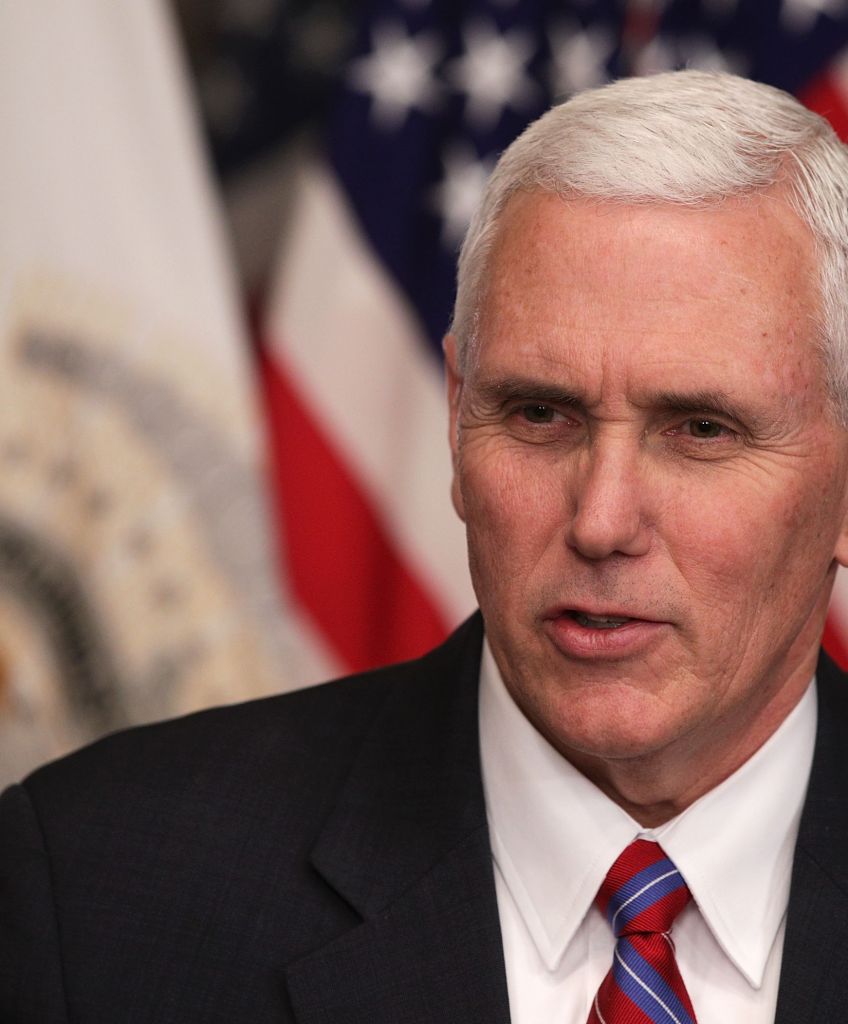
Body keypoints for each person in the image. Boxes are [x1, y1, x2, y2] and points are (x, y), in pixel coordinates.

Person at [3, 69, 848, 1024]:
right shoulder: (94, 886)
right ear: (455, 424)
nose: (602, 521)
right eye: (538, 413)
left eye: (700, 430)